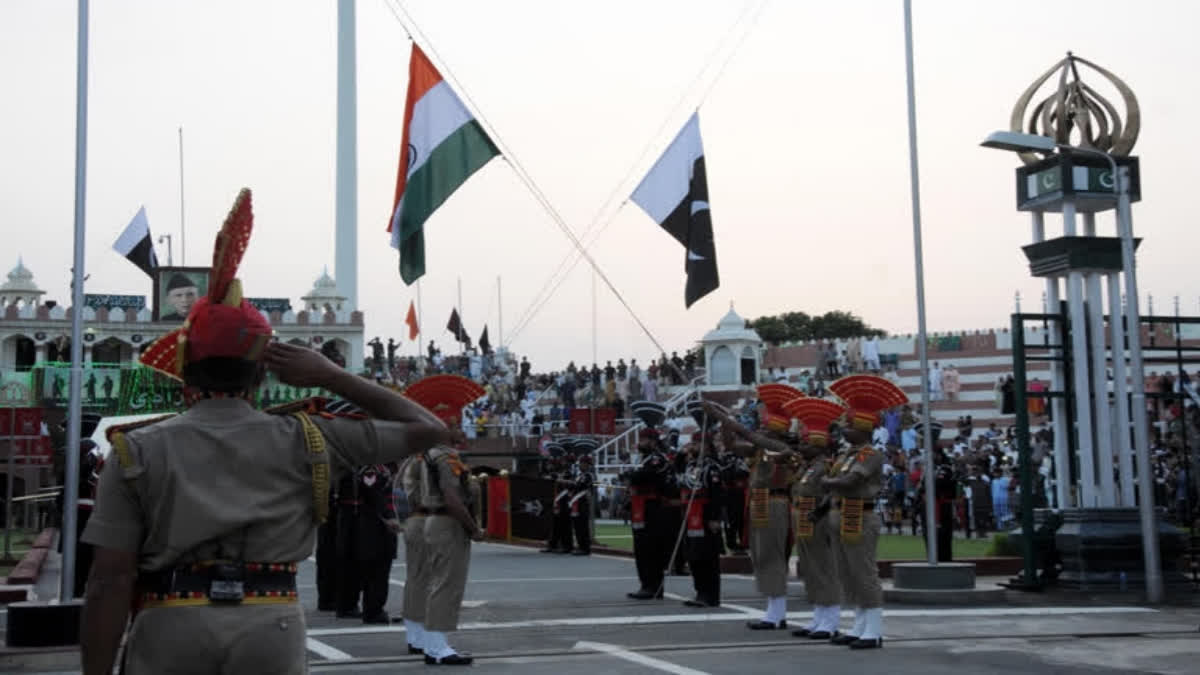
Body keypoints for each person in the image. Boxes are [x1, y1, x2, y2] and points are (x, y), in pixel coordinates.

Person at [78, 189, 449, 675]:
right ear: (262, 373)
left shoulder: (136, 449)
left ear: (184, 371)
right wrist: (331, 374)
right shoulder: (311, 436)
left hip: (171, 622)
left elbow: (109, 580)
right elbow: (430, 427)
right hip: (269, 622)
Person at [823, 374, 907, 650]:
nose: (843, 429)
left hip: (858, 514)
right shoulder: (847, 454)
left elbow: (850, 481)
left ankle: (873, 629)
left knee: (863, 572)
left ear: (863, 428)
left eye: (849, 425)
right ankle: (859, 626)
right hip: (841, 513)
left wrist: (828, 482)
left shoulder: (871, 454)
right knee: (847, 573)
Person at [703, 391, 798, 631]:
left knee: (773, 556)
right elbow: (732, 443)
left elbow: (747, 434)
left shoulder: (781, 447)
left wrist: (722, 416)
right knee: (761, 556)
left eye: (766, 428)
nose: (762, 432)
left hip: (774, 502)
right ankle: (774, 610)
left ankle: (777, 613)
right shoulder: (759, 449)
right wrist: (723, 420)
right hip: (758, 502)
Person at [783, 399, 847, 640]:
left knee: (823, 568)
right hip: (803, 517)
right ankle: (818, 618)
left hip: (817, 519)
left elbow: (831, 493)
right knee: (810, 569)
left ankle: (830, 621)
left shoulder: (824, 467)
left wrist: (819, 511)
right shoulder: (808, 467)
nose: (801, 446)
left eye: (806, 442)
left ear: (818, 445)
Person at [421, 428, 485, 665]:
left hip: (440, 522)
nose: (463, 431)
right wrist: (473, 529)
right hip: (449, 524)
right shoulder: (446, 458)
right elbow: (452, 498)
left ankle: (433, 644)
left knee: (439, 584)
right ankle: (438, 648)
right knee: (447, 586)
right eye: (457, 425)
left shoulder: (434, 453)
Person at [626, 401, 673, 599]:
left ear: (652, 442)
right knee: (641, 549)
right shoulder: (644, 459)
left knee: (651, 548)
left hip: (653, 508)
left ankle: (653, 585)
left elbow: (647, 477)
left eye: (644, 440)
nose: (640, 443)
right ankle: (646, 584)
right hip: (641, 507)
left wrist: (631, 476)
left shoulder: (657, 459)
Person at [679, 433, 724, 607]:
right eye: (693, 443)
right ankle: (700, 591)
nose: (692, 447)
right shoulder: (690, 465)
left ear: (706, 446)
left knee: (707, 556)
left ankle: (710, 595)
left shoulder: (712, 467)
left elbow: (717, 494)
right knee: (693, 556)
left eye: (697, 444)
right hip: (690, 514)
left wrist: (714, 517)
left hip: (705, 514)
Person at [570, 454, 596, 556]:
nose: (581, 465)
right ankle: (580, 546)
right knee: (577, 526)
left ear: (587, 465)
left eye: (583, 463)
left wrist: (571, 484)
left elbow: (580, 486)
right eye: (580, 463)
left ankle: (585, 548)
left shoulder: (588, 475)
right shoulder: (578, 475)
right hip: (577, 503)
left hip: (583, 503)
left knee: (583, 526)